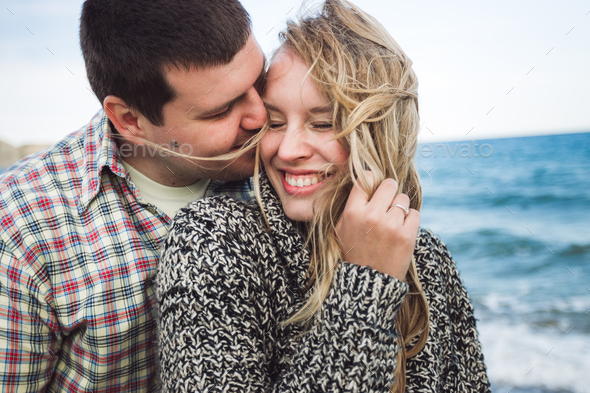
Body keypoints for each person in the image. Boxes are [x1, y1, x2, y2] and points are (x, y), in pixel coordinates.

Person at [157, 0, 491, 392]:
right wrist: (365, 286)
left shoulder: (427, 257)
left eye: (323, 123)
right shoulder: (213, 242)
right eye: (276, 122)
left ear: (379, 132)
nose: (288, 149)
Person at [0, 0, 266, 391]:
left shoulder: (292, 164)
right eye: (221, 110)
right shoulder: (21, 227)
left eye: (259, 81)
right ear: (130, 120)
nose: (260, 116)